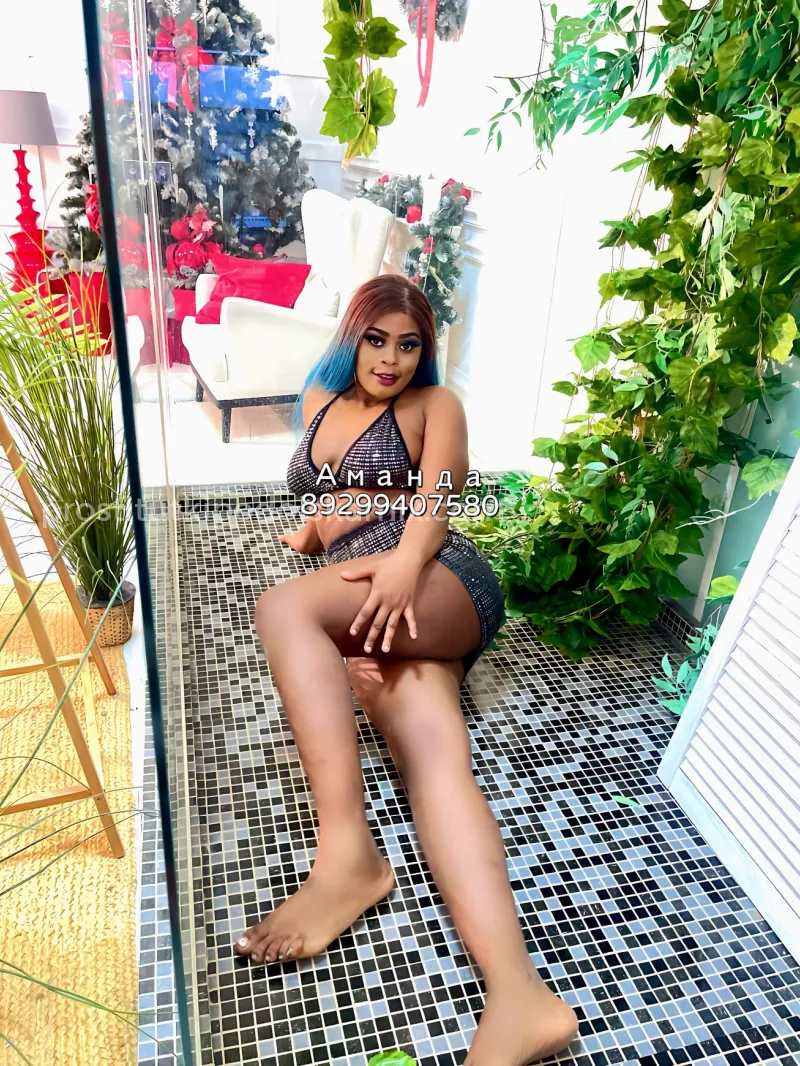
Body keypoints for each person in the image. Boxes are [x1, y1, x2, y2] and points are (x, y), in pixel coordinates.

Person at [235, 275, 578, 1065]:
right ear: (351, 337)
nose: (391, 358)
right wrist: (313, 536)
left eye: (409, 343)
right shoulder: (321, 402)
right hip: (376, 608)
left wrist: (400, 564)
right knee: (433, 757)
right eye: (376, 339)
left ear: (425, 351)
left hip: (437, 578)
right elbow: (331, 505)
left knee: (284, 609)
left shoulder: (434, 406)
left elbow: (437, 498)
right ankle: (521, 995)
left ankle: (347, 855)